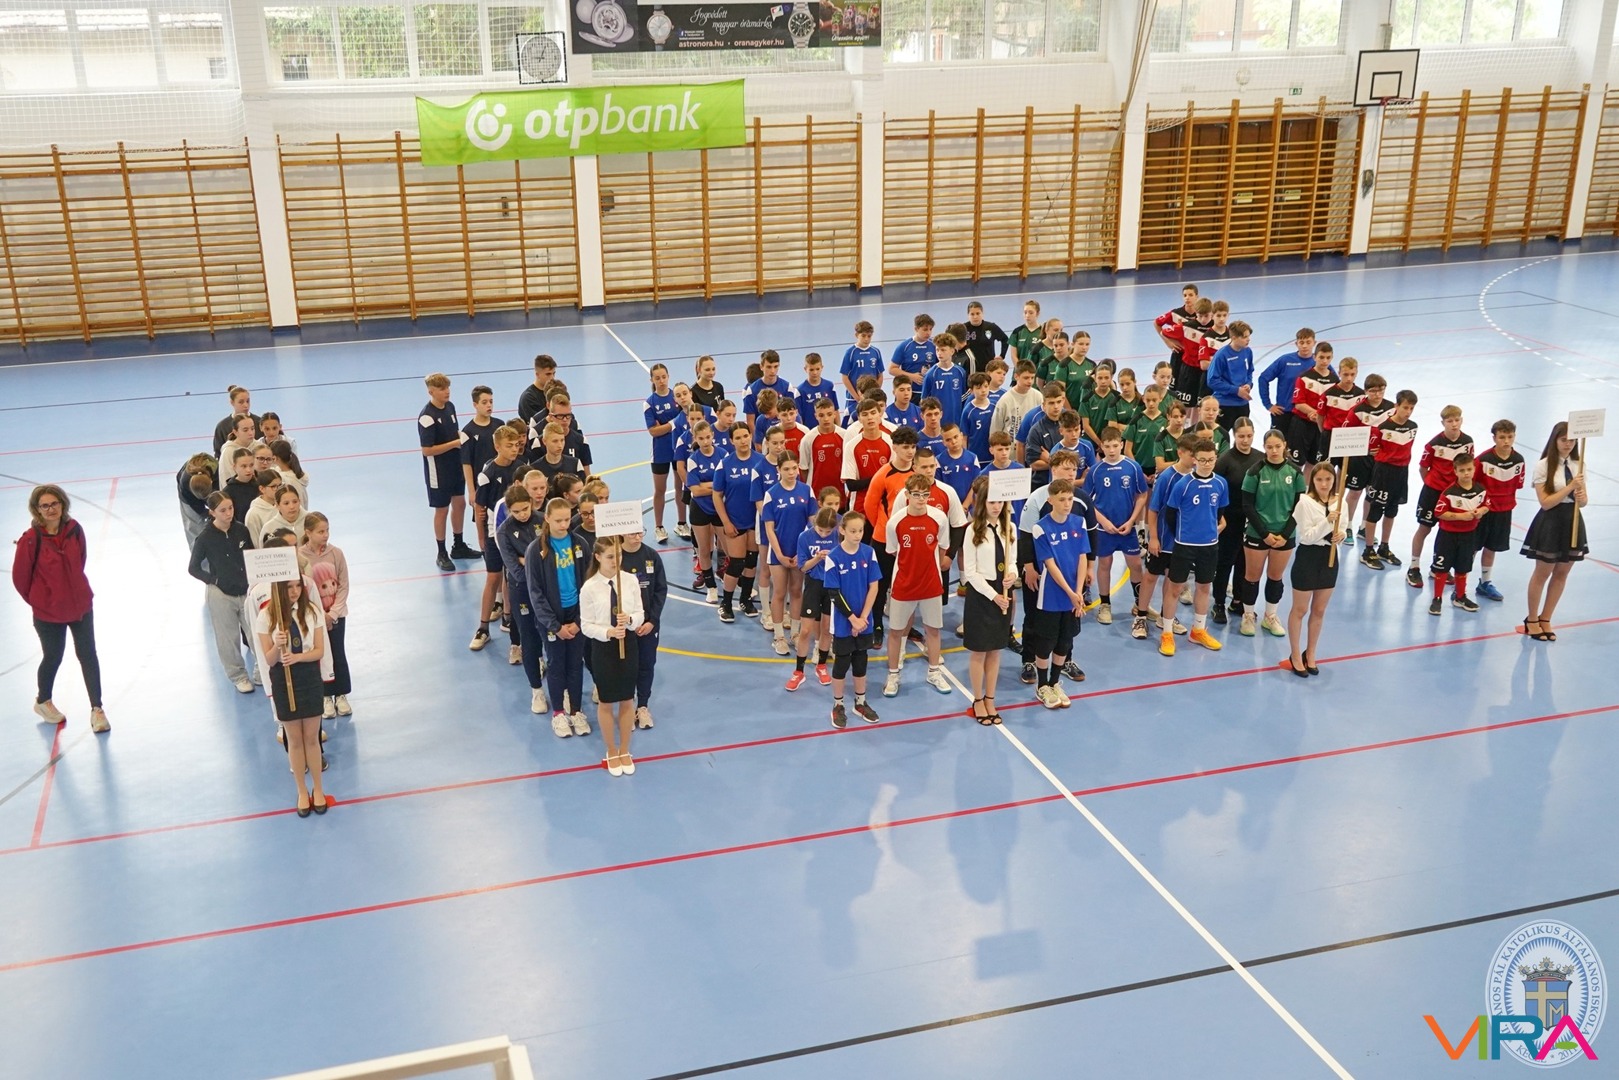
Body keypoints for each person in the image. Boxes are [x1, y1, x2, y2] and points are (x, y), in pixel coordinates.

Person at [12, 485, 108, 733]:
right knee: (53, 655)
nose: (50, 509)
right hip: (48, 613)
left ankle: (97, 709)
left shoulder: (74, 530)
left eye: (54, 503)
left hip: (80, 605)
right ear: (37, 510)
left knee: (88, 654)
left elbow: (80, 560)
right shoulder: (30, 540)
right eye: (44, 505)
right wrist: (42, 600)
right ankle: (43, 700)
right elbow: (20, 579)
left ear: (63, 504)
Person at [256, 575, 328, 815]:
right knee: (294, 740)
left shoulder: (312, 612)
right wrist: (277, 644)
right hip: (283, 679)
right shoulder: (266, 617)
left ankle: (318, 789)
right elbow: (269, 660)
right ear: (279, 589)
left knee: (312, 738)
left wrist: (298, 657)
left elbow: (319, 650)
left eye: (298, 586)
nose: (295, 591)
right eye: (289, 587)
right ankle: (301, 791)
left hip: (308, 676)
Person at [882, 475, 955, 698]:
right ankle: (893, 675)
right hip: (903, 585)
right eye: (916, 494)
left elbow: (942, 547)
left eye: (925, 494)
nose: (921, 499)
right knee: (896, 631)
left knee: (933, 630)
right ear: (907, 495)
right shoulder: (895, 522)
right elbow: (893, 551)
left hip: (931, 584)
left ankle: (934, 672)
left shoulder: (939, 518)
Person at [529, 497, 592, 738]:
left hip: (576, 614)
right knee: (556, 665)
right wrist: (554, 626)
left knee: (575, 664)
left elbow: (589, 584)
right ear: (547, 518)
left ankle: (576, 711)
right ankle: (558, 714)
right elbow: (535, 592)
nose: (564, 525)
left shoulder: (580, 544)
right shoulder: (536, 550)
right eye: (558, 520)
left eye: (567, 519)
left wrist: (578, 621)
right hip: (552, 618)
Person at [580, 539, 644, 777]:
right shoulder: (589, 588)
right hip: (604, 648)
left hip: (628, 643)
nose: (616, 561)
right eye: (609, 557)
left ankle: (625, 749)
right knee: (607, 701)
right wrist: (608, 632)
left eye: (618, 555)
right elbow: (586, 625)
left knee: (627, 698)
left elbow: (640, 612)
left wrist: (630, 620)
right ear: (597, 557)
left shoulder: (630, 580)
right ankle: (611, 749)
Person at [1521, 421, 1589, 641]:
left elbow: (1584, 502)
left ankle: (1546, 618)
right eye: (1563, 440)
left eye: (1572, 440)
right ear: (1555, 440)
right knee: (1542, 573)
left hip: (1573, 520)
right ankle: (1532, 619)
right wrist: (1570, 487)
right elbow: (1545, 503)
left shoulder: (1579, 465)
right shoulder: (1543, 466)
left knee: (1562, 573)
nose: (1568, 444)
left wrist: (1581, 497)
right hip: (1551, 521)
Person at [1158, 439, 1228, 655]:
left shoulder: (1221, 483)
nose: (1207, 464)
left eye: (1211, 460)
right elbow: (1170, 514)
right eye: (1202, 460)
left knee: (1204, 587)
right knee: (1175, 588)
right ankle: (1167, 633)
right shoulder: (1183, 484)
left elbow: (1219, 512)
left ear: (1216, 459)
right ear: (1195, 460)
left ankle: (1198, 630)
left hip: (1209, 545)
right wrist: (1184, 532)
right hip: (1184, 545)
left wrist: (1212, 529)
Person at [1029, 479, 1090, 709]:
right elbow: (1050, 564)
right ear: (1050, 501)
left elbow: (1083, 557)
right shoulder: (1040, 527)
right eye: (1062, 499)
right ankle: (1042, 685)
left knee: (1065, 640)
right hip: (1052, 594)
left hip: (1074, 593)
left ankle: (1055, 683)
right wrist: (1070, 592)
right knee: (1047, 641)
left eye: (1070, 499)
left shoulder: (1079, 523)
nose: (1067, 504)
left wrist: (1079, 591)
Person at [189, 491, 258, 692]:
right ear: (212, 512)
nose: (228, 513)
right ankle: (238, 676)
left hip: (245, 590)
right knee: (228, 638)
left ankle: (261, 670)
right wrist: (214, 580)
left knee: (255, 633)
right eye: (222, 510)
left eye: (230, 508)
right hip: (221, 594)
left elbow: (251, 555)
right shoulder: (205, 538)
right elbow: (193, 568)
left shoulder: (241, 530)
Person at [1282, 463, 1346, 676]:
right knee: (1300, 609)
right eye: (1319, 480)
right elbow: (1307, 537)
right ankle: (1295, 654)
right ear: (1312, 481)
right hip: (1308, 557)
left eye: (1328, 479)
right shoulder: (1305, 502)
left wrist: (1341, 535)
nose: (1324, 484)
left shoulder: (1340, 502)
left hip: (1329, 558)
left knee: (1319, 610)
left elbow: (1343, 527)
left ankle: (1310, 653)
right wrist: (1327, 522)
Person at [1238, 429, 1304, 638]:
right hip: (1257, 533)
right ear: (1264, 448)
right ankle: (1248, 616)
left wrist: (1285, 534)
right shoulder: (1255, 471)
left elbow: (1300, 506)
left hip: (1285, 534)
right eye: (1269, 447)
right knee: (1252, 577)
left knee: (1275, 578)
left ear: (1285, 446)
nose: (1274, 451)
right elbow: (1247, 506)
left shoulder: (1295, 472)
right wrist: (1265, 534)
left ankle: (1270, 616)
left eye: (1277, 446)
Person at [961, 476, 1016, 725]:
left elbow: (1012, 560)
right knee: (980, 651)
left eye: (1000, 502)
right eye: (992, 502)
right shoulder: (972, 530)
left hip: (1003, 590)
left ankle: (991, 697)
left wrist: (1012, 575)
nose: (996, 506)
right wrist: (993, 596)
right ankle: (977, 699)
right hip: (982, 595)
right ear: (982, 503)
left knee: (995, 649)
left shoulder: (1009, 528)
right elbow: (970, 572)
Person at [822, 511, 882, 728]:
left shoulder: (869, 553)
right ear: (842, 530)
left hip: (864, 620)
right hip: (843, 622)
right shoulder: (834, 557)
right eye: (853, 531)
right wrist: (852, 619)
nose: (858, 535)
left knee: (861, 659)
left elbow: (874, 587)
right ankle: (838, 705)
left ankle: (860, 702)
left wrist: (863, 618)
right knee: (842, 662)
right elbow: (834, 593)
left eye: (861, 531)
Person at [1407, 405, 1474, 590]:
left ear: (1461, 420)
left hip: (1454, 495)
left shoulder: (1467, 442)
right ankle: (1413, 567)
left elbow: (1468, 465)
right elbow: (1423, 468)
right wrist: (1432, 486)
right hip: (1433, 493)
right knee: (1424, 528)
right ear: (1443, 423)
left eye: (1457, 420)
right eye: (1450, 421)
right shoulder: (1434, 444)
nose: (1454, 424)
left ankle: (1438, 567)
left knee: (1446, 533)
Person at [495, 485, 547, 713]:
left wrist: (526, 559)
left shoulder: (543, 520)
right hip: (522, 590)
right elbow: (515, 571)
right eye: (516, 511)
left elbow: (551, 555)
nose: (522, 514)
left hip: (547, 588)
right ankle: (537, 691)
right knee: (529, 638)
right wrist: (534, 561)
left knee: (553, 637)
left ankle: (562, 690)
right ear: (508, 510)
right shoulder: (504, 532)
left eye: (525, 508)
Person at [419, 372, 476, 571]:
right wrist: (454, 444)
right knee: (442, 509)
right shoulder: (427, 417)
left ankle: (458, 545)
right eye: (442, 388)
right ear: (431, 391)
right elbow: (427, 450)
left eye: (448, 387)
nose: (447, 391)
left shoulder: (450, 407)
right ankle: (441, 552)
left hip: (455, 465)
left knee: (459, 504)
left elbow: (454, 433)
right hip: (439, 471)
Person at [300, 512, 352, 718]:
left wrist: (334, 613)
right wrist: (319, 616)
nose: (325, 535)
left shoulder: (336, 553)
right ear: (308, 532)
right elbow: (303, 589)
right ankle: (325, 696)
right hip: (314, 618)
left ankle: (341, 695)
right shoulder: (301, 556)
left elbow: (343, 585)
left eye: (327, 530)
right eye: (320, 531)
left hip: (336, 616)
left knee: (338, 653)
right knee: (320, 655)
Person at [1360, 389, 1420, 569]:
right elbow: (1373, 450)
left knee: (1392, 510)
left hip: (1401, 472)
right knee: (1375, 510)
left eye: (1411, 408)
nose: (1408, 412)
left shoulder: (1413, 427)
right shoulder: (1382, 427)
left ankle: (1384, 547)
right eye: (1405, 407)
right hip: (1383, 473)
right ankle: (1368, 551)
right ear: (1396, 406)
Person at [786, 502, 841, 691]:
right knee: (806, 630)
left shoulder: (839, 535)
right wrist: (817, 558)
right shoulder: (805, 537)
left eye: (828, 532)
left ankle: (821, 666)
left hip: (832, 586)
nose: (824, 534)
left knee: (826, 629)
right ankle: (799, 671)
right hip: (813, 585)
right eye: (820, 530)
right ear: (814, 523)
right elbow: (802, 567)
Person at [714, 423, 764, 623]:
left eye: (746, 436)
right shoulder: (725, 464)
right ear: (731, 440)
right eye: (738, 437)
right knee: (736, 563)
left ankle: (745, 600)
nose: (743, 441)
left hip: (755, 522)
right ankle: (726, 604)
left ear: (751, 436)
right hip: (735, 521)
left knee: (751, 561)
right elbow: (717, 495)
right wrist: (725, 522)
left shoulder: (760, 461)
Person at [616, 529, 666, 729]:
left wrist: (652, 621)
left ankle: (643, 706)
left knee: (646, 664)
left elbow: (660, 590)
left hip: (647, 626)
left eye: (640, 533)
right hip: (623, 627)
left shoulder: (651, 556)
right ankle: (627, 708)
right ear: (622, 534)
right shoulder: (615, 558)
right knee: (625, 667)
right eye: (632, 534)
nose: (637, 537)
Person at [1211, 417, 1259, 624]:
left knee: (1244, 563)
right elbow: (1215, 490)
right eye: (1241, 436)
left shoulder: (1260, 458)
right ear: (1234, 436)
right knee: (1224, 563)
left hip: (1252, 521)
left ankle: (1238, 601)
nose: (1245, 440)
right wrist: (1218, 517)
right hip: (1229, 520)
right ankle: (1218, 603)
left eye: (1249, 436)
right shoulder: (1225, 460)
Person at [1429, 453, 1489, 616]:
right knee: (1442, 568)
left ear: (1474, 469)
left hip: (1468, 535)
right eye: (1462, 470)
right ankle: (1437, 598)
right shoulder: (1449, 493)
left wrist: (1481, 511)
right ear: (1455, 471)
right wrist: (1460, 516)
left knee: (1463, 568)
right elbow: (1439, 512)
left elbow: (1486, 505)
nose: (1466, 473)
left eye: (1469, 469)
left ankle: (1460, 596)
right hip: (1448, 536)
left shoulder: (1480, 490)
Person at [1475, 419, 1526, 602]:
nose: (1506, 441)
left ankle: (1485, 582)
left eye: (1510, 437)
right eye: (1502, 437)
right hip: (1483, 512)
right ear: (1494, 438)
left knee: (1492, 547)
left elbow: (1517, 485)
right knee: (1472, 548)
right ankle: (1460, 585)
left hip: (1504, 511)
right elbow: (1471, 485)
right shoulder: (1483, 460)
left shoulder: (1518, 460)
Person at [460, 385, 500, 548]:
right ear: (475, 405)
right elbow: (466, 463)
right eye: (484, 402)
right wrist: (471, 491)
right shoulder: (468, 431)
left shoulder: (499, 425)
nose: (489, 405)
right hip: (482, 486)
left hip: (499, 482)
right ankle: (486, 551)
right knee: (483, 521)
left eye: (491, 401)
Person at [1206, 320, 1254, 430]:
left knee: (1242, 435)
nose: (1248, 339)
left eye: (1248, 336)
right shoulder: (1221, 355)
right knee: (1222, 437)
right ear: (1233, 337)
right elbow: (1212, 381)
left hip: (1242, 403)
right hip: (1225, 404)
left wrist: (1249, 384)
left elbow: (1250, 372)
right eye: (1244, 337)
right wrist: (1236, 390)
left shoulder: (1248, 352)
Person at [177, 452, 216, 550]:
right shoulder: (185, 482)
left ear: (211, 482)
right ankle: (198, 553)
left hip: (212, 484)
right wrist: (205, 512)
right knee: (193, 526)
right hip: (187, 495)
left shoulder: (218, 475)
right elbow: (194, 504)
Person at [212, 385, 259, 457]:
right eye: (241, 402)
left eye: (247, 401)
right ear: (232, 402)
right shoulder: (222, 426)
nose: (246, 405)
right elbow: (218, 453)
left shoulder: (259, 422)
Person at [516, 354, 558, 423]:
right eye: (548, 374)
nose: (552, 377)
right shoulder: (528, 398)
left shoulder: (554, 392)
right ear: (537, 374)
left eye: (554, 373)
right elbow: (537, 424)